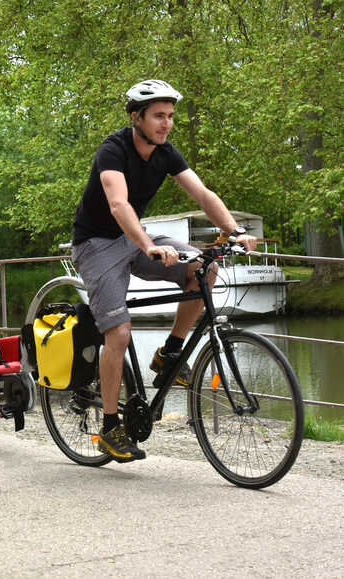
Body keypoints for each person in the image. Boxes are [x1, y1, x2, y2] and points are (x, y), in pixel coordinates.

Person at [71, 79, 258, 462]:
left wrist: (235, 230)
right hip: (96, 244)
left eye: (170, 116)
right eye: (159, 115)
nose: (167, 123)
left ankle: (170, 352)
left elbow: (203, 194)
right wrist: (149, 246)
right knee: (119, 333)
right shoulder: (114, 149)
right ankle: (110, 427)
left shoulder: (165, 152)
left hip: (135, 238)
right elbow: (119, 206)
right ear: (137, 117)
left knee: (204, 269)